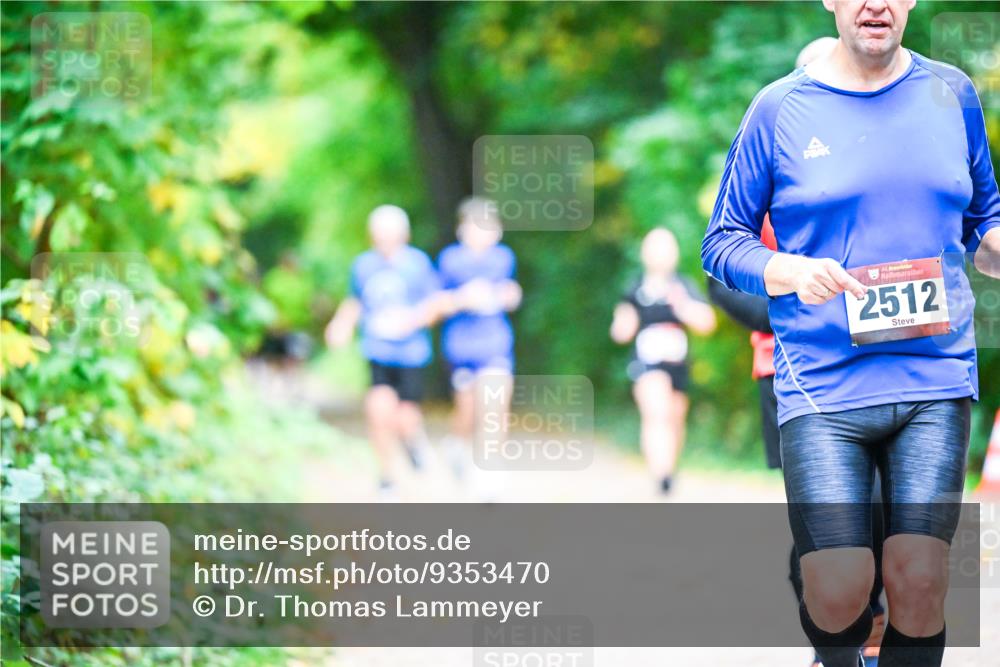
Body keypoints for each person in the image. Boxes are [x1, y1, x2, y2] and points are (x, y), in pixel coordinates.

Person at [702, 0, 1000, 664]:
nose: (875, 4)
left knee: (919, 582)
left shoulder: (951, 93)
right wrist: (788, 269)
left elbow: (984, 219)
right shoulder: (778, 109)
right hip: (823, 386)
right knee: (838, 589)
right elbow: (722, 242)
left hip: (932, 377)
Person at [706, 36, 885, 667]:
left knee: (881, 507)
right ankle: (834, 635)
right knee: (824, 512)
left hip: (877, 363)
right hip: (788, 368)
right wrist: (789, 311)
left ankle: (866, 623)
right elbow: (721, 274)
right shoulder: (768, 159)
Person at [325, 204, 442, 499]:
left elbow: (434, 304)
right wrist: (341, 324)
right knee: (378, 412)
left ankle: (412, 442)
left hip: (411, 353)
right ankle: (387, 478)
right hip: (378, 351)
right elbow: (355, 301)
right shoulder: (363, 265)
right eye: (379, 234)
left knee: (405, 418)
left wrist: (411, 320)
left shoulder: (418, 264)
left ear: (403, 235)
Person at [612, 227, 716, 494]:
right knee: (655, 413)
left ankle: (668, 469)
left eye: (666, 249)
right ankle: (660, 475)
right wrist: (626, 322)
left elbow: (707, 323)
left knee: (674, 418)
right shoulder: (635, 287)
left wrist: (682, 305)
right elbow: (620, 330)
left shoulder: (684, 286)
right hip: (647, 361)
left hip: (678, 363)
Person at [436, 197, 522, 488]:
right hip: (461, 346)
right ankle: (456, 444)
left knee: (495, 405)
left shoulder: (503, 258)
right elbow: (435, 304)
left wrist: (510, 296)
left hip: (495, 343)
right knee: (468, 410)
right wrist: (462, 298)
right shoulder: (450, 260)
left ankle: (490, 469)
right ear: (463, 229)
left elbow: (510, 292)